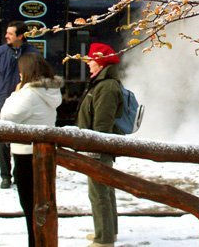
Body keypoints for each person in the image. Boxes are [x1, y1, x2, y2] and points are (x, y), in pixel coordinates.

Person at [0, 53, 63, 247]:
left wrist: (15, 92)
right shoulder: (50, 90)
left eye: (20, 72)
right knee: (41, 206)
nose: (19, 76)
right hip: (44, 155)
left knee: (30, 209)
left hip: (25, 155)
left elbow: (6, 117)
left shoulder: (28, 94)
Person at [76, 42, 123, 247]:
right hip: (96, 147)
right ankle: (107, 232)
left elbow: (102, 125)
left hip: (97, 148)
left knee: (98, 193)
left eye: (91, 60)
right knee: (104, 189)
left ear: (101, 62)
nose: (88, 64)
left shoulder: (106, 87)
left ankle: (103, 239)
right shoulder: (102, 83)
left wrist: (93, 151)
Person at [0, 20, 38, 189]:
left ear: (20, 36)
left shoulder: (32, 53)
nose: (6, 36)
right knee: (3, 139)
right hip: (3, 100)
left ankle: (19, 173)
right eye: (7, 33)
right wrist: (1, 92)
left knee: (23, 139)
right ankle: (5, 176)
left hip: (24, 100)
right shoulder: (0, 52)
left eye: (10, 33)